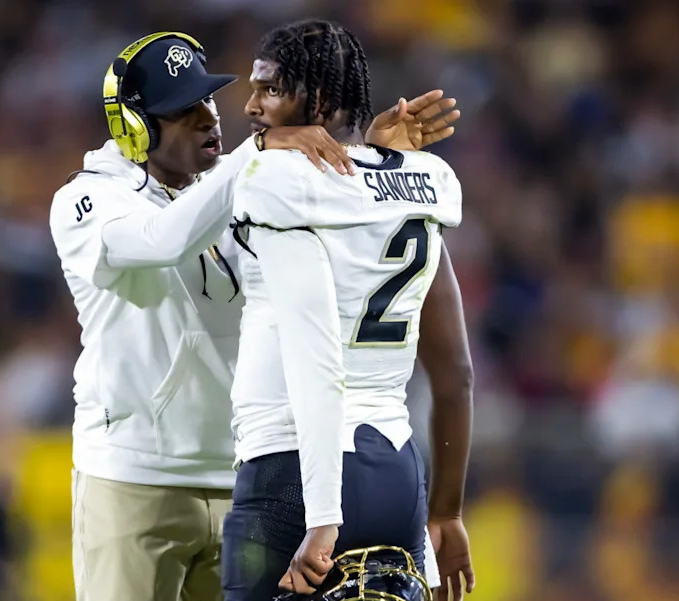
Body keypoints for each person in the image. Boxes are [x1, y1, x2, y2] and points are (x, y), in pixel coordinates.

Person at [49, 31, 459, 601]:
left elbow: (333, 238)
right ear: (133, 126)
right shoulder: (88, 200)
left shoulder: (244, 183)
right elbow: (164, 237)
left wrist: (369, 157)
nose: (208, 118)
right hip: (138, 476)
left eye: (208, 99)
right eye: (182, 110)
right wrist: (262, 150)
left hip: (248, 475)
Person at [223, 20, 475, 601]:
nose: (251, 107)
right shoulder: (421, 182)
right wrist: (447, 510)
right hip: (395, 474)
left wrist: (322, 514)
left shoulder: (276, 178)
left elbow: (317, 367)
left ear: (319, 102)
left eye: (270, 91)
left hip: (294, 472)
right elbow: (456, 373)